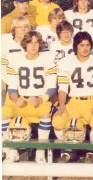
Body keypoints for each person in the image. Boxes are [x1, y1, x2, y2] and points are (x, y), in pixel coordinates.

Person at [52, 32, 93, 164]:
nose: (85, 48)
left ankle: (91, 150)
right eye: (81, 45)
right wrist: (62, 106)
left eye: (88, 45)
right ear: (76, 46)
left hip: (92, 101)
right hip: (74, 102)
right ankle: (68, 150)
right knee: (58, 122)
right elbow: (63, 88)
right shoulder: (66, 62)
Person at [2, 31, 57, 163]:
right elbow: (12, 87)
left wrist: (40, 99)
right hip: (22, 100)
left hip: (41, 100)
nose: (33, 45)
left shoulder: (48, 58)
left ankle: (40, 150)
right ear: (25, 44)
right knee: (3, 113)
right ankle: (12, 149)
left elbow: (52, 88)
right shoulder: (15, 59)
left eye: (36, 42)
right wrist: (16, 98)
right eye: (30, 42)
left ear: (40, 44)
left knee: (45, 115)